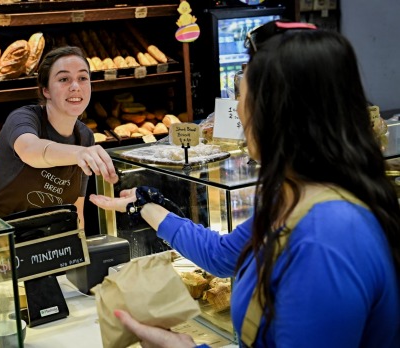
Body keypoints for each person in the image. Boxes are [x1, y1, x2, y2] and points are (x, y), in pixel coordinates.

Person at [90, 21, 400, 347]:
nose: (236, 107)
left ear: (275, 112)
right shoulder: (304, 196)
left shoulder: (324, 239)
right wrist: (143, 205)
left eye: (241, 94)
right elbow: (223, 254)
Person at [0, 46, 118, 227]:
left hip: (50, 241)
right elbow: (31, 150)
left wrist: (80, 246)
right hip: (1, 236)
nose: (76, 87)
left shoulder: (85, 137)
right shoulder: (24, 118)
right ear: (45, 90)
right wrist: (78, 154)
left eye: (83, 78)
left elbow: (76, 210)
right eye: (64, 79)